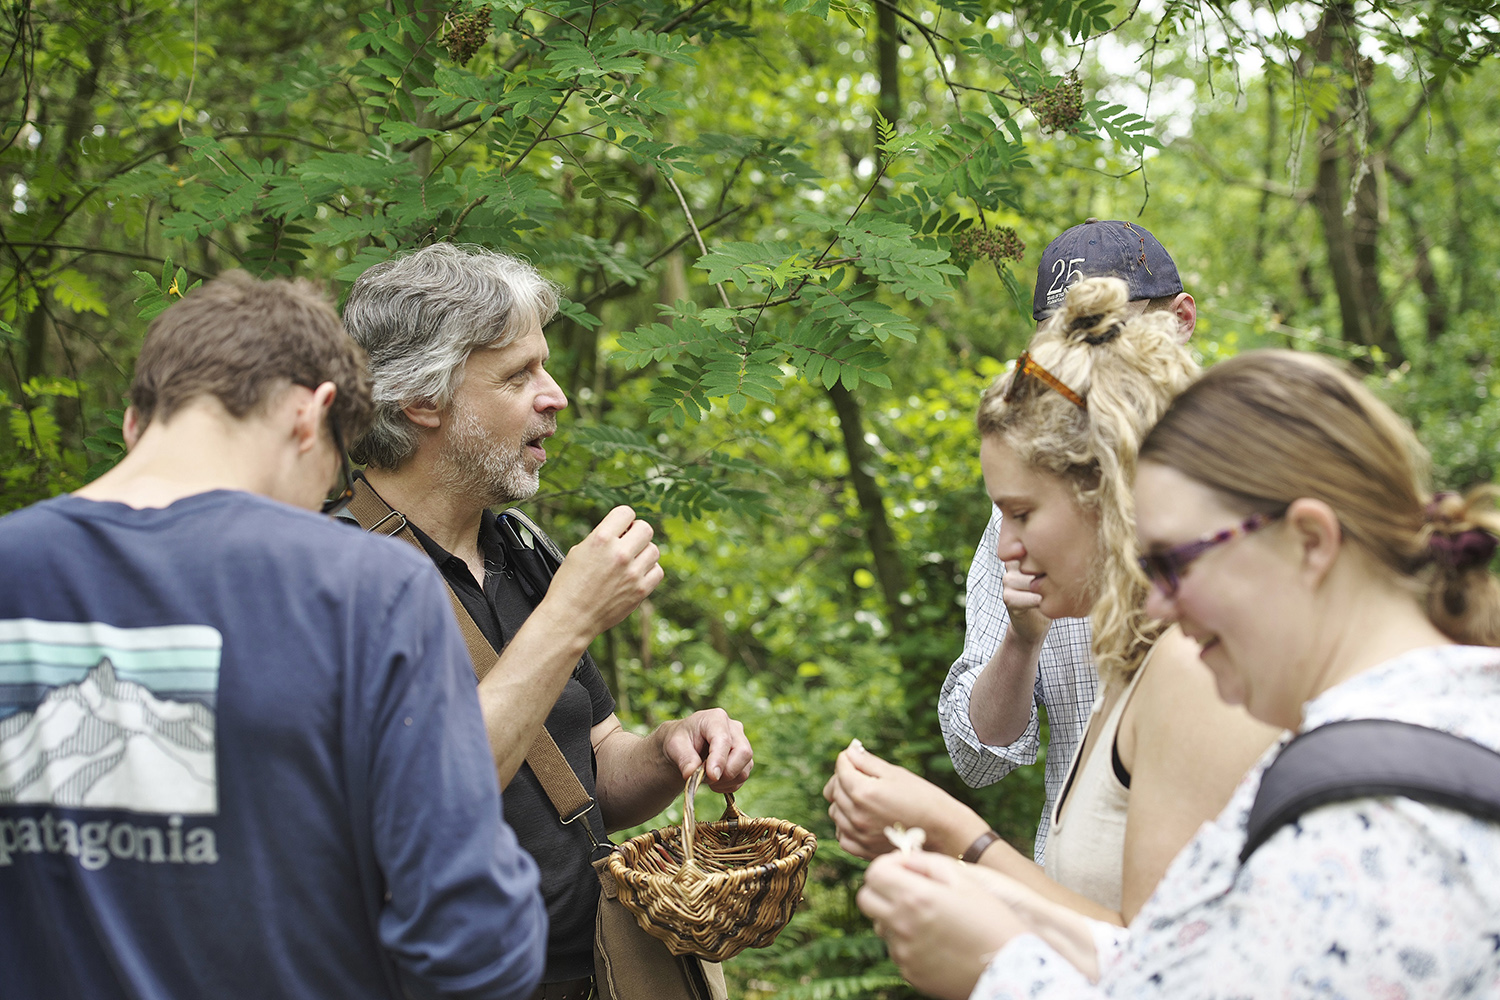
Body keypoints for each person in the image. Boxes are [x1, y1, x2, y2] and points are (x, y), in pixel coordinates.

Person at [859, 349, 1500, 999]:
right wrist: (1003, 909)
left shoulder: (1381, 823)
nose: (1158, 603)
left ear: (1309, 542)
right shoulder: (1379, 746)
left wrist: (1000, 970)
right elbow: (1187, 967)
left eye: (1175, 563)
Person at [0, 272, 546, 1000]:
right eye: (328, 473)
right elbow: (472, 941)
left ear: (137, 424)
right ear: (308, 415)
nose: (320, 503)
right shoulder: (367, 588)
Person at [341, 243, 755, 998]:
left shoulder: (521, 552)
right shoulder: (334, 574)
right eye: (517, 375)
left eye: (547, 367)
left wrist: (669, 749)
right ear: (423, 400)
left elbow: (589, 764)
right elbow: (426, 799)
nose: (556, 394)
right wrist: (570, 616)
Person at [826, 277, 1277, 924]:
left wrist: (954, 837)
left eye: (1021, 513)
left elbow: (1155, 968)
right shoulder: (1130, 655)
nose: (1005, 549)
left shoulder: (1193, 669)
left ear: (1108, 489)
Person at [939, 219, 1199, 861]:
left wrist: (969, 850)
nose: (1087, 358)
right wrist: (1021, 642)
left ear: (1181, 319)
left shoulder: (1239, 519)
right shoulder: (1029, 508)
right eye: (1064, 336)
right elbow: (979, 760)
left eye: (1112, 327)